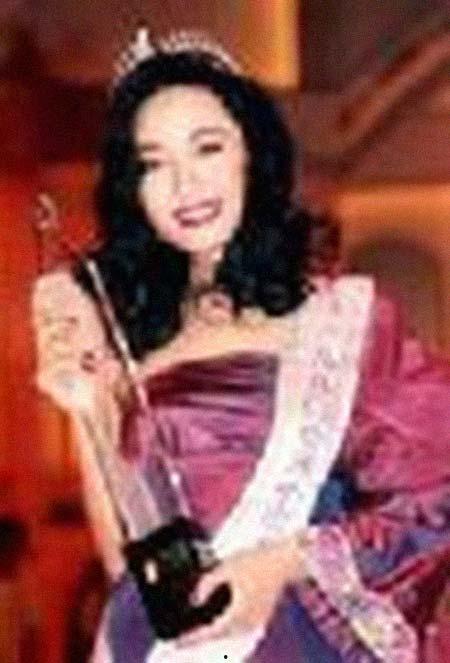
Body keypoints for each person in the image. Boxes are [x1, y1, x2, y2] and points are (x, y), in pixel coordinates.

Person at [32, 29, 450, 663]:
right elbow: (126, 565)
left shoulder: (342, 323)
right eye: (153, 164)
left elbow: (436, 491)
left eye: (207, 147)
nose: (185, 184)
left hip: (295, 637)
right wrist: (87, 404)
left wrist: (285, 561)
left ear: (252, 155)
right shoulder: (133, 342)